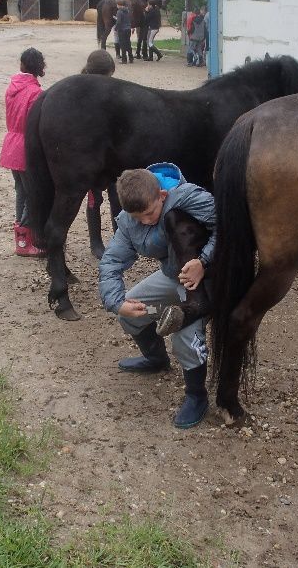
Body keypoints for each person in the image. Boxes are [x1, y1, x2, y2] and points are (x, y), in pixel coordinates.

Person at [99, 164, 216, 429]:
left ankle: (197, 396)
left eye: (149, 213)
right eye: (137, 217)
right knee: (131, 312)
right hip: (171, 275)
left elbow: (230, 228)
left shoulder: (190, 198)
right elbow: (111, 261)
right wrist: (117, 302)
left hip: (206, 278)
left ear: (162, 195)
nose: (144, 221)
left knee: (185, 336)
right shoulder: (130, 221)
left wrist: (204, 261)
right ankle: (156, 359)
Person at [0, 48, 46, 257]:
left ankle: (22, 238)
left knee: (21, 191)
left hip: (10, 144)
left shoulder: (13, 87)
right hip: (25, 147)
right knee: (32, 194)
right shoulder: (35, 93)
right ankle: (25, 242)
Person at [81, 49, 117, 259]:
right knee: (94, 199)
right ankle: (95, 242)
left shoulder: (112, 92)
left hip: (113, 157)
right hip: (93, 159)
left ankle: (120, 237)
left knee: (117, 198)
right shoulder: (84, 94)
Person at [114, 0, 133, 64]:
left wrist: (115, 29)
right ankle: (131, 58)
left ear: (118, 4)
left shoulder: (119, 11)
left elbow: (119, 22)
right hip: (128, 29)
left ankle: (124, 60)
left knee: (122, 45)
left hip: (122, 30)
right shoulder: (127, 10)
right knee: (128, 43)